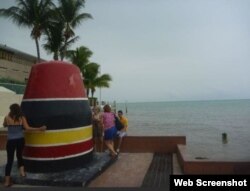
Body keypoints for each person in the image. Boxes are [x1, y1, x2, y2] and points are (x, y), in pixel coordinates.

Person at [3, 103, 46, 187]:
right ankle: (22, 173)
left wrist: (8, 124)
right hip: (20, 140)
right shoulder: (21, 118)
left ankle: (7, 181)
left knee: (9, 160)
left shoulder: (7, 117)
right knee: (19, 156)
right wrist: (40, 128)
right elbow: (28, 128)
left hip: (10, 141)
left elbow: (4, 125)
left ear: (11, 110)